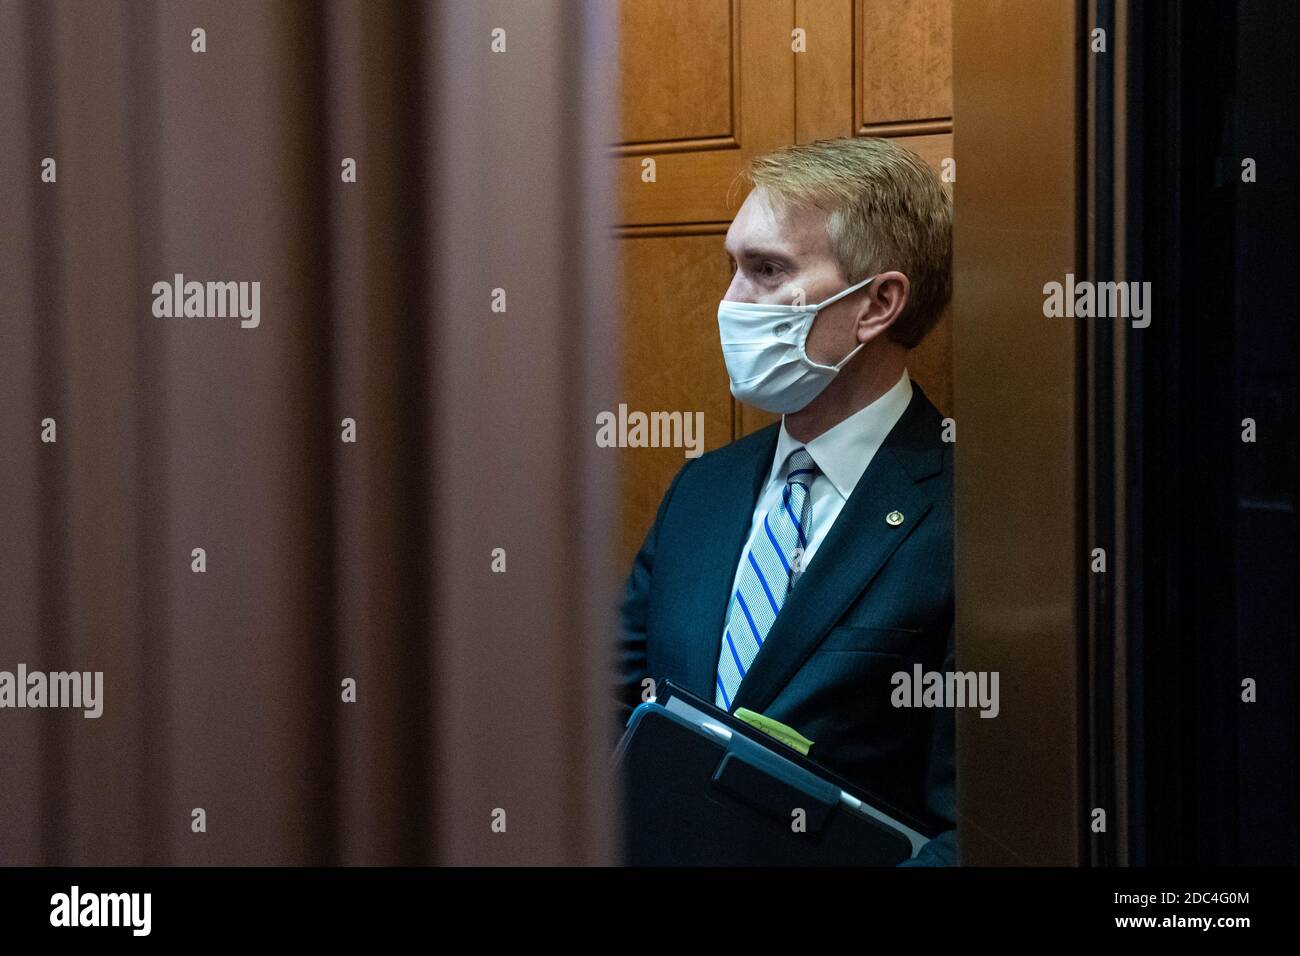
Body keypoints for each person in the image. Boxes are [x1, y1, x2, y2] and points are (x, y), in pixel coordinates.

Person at [616, 136, 956, 865]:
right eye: (732, 267)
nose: (730, 303)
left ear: (878, 304)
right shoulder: (701, 492)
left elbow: (983, 824)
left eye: (767, 271)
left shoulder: (973, 515)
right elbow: (611, 717)